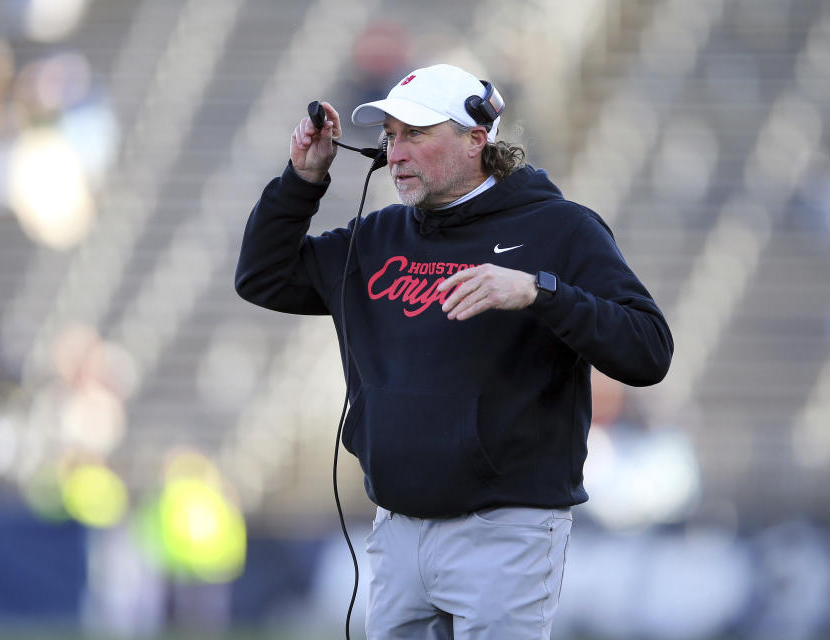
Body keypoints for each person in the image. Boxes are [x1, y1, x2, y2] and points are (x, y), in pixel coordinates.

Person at [235, 63, 673, 639]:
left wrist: (540, 291)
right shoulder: (378, 235)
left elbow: (649, 350)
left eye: (416, 133)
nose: (395, 153)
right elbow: (262, 277)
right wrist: (301, 180)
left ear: (476, 139)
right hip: (396, 528)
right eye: (390, 136)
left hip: (505, 528)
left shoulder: (560, 229)